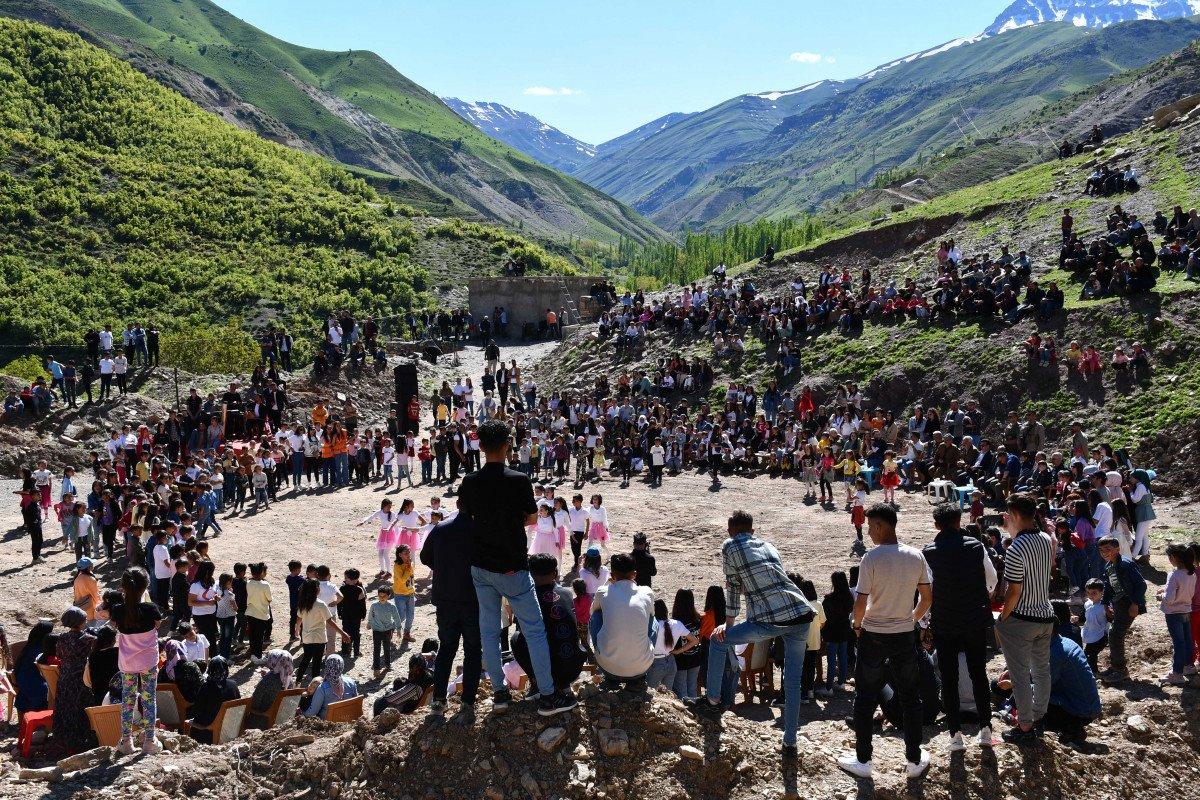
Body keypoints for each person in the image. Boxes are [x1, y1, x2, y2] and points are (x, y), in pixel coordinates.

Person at [457, 419, 575, 716]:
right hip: (512, 566)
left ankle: (499, 693)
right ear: (507, 445)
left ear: (480, 447)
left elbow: (467, 518)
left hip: (481, 566)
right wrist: (509, 522)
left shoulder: (470, 481)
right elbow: (533, 518)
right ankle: (547, 695)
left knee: (489, 631)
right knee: (534, 630)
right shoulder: (519, 480)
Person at [687, 511, 814, 760]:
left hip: (770, 619)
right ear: (753, 531)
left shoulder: (730, 546)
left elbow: (733, 587)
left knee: (717, 641)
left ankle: (712, 701)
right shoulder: (769, 546)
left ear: (729, 531)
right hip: (801, 614)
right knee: (792, 682)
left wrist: (728, 625)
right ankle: (790, 742)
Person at [836, 504, 932, 780]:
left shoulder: (871, 558)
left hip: (873, 634)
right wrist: (911, 620)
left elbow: (861, 601)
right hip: (903, 634)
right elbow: (927, 598)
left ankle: (863, 760)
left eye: (870, 527)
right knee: (910, 696)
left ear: (879, 526)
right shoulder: (916, 556)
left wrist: (857, 626)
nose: (868, 532)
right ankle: (913, 759)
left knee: (865, 696)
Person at [922, 503, 998, 749]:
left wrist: (924, 622)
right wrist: (979, 595)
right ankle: (985, 729)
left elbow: (926, 592)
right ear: (958, 521)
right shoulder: (976, 546)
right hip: (974, 619)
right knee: (978, 674)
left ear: (937, 525)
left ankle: (955, 734)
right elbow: (992, 580)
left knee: (949, 677)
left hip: (944, 621)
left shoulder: (929, 552)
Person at [995, 493, 1056, 744]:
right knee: (1041, 671)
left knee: (1019, 675)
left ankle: (1025, 725)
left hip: (1022, 618)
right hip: (1045, 615)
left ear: (1015, 515)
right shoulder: (1045, 539)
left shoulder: (1016, 548)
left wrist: (1002, 618)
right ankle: (1038, 717)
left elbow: (1014, 591)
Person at [419, 498, 482, 724]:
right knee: (473, 650)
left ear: (457, 505)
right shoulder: (480, 530)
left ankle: (438, 700)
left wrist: (444, 568)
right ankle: (468, 701)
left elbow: (425, 557)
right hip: (473, 599)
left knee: (446, 648)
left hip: (445, 599)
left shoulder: (441, 528)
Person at [512, 553, 587, 695]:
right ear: (555, 573)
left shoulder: (528, 598)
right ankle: (559, 684)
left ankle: (536, 682)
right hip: (573, 669)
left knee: (516, 638)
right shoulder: (567, 593)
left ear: (530, 574)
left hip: (548, 672)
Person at [589, 552, 655, 692]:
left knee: (596, 614)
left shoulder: (603, 591)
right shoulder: (647, 592)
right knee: (652, 618)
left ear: (612, 575)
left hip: (608, 667)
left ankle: (602, 655)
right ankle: (637, 675)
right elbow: (651, 617)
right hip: (641, 667)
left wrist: (609, 584)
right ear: (634, 574)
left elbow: (592, 613)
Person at [1097, 533, 1148, 685]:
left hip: (1128, 604)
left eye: (1108, 549)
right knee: (1114, 634)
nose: (1104, 553)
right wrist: (1105, 604)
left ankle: (1120, 670)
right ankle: (1116, 667)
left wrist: (1135, 604)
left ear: (1117, 549)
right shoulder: (1109, 566)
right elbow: (1108, 586)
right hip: (1118, 604)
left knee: (1115, 635)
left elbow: (1141, 585)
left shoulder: (1126, 564)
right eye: (1101, 550)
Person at [55, 606, 97, 753]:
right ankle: (82, 741)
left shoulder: (61, 638)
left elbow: (59, 656)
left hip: (65, 678)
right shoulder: (89, 639)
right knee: (81, 709)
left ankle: (65, 740)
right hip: (80, 679)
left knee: (66, 707)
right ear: (79, 622)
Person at [294, 578, 350, 683]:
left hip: (306, 637)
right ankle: (316, 685)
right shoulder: (320, 604)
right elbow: (330, 621)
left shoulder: (303, 603)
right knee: (317, 662)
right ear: (317, 589)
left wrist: (297, 629)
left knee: (306, 659)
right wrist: (343, 633)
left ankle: (297, 682)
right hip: (319, 638)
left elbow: (299, 619)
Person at [1158, 544, 1196, 685]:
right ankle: (1188, 666)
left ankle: (1177, 673)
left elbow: (1169, 599)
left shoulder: (1174, 575)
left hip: (1173, 613)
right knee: (1187, 640)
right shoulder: (1191, 574)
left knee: (1178, 643)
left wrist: (1160, 596)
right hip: (1186, 610)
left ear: (1173, 558)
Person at [188, 656, 239, 743]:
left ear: (210, 670)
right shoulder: (233, 685)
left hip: (209, 732)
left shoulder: (206, 688)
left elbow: (197, 711)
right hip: (230, 728)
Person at [246, 649, 295, 730]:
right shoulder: (289, 680)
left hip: (262, 720)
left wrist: (266, 678)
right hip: (281, 719)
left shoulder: (267, 680)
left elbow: (254, 702)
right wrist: (269, 674)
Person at [14, 619, 53, 718]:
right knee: (47, 690)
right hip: (32, 680)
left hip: (22, 678)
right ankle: (40, 718)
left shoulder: (31, 645)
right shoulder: (39, 649)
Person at [304, 654, 358, 719]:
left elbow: (312, 713)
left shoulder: (322, 688)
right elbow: (356, 704)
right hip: (348, 719)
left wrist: (302, 713)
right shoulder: (351, 682)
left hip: (329, 723)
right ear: (341, 667)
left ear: (327, 667)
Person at [367, 586, 399, 674]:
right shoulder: (374, 605)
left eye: (384, 596)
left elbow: (396, 617)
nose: (382, 598)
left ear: (389, 596)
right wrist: (369, 623)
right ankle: (376, 668)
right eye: (380, 596)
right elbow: (370, 615)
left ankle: (388, 665)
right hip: (376, 630)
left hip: (387, 631)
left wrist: (399, 629)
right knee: (376, 649)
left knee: (387, 649)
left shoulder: (391, 606)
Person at [86, 626, 119, 706]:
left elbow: (87, 681)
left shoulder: (93, 656)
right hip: (117, 698)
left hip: (99, 699)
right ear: (113, 640)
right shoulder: (118, 653)